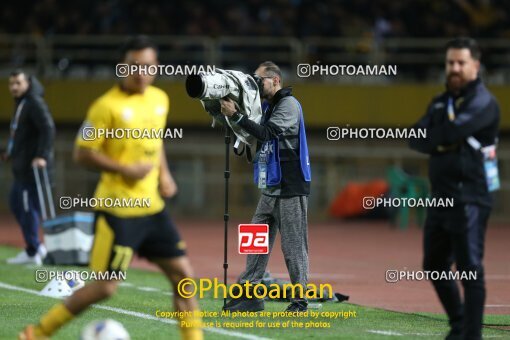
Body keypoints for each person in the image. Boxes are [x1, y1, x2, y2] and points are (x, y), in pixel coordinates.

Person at [19, 36, 203, 340]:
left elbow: (155, 141)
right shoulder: (104, 107)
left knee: (183, 276)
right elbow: (82, 152)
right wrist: (125, 169)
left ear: (156, 67)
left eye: (147, 66)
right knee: (104, 287)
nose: (141, 73)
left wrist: (164, 174)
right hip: (117, 213)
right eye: (134, 66)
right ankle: (35, 334)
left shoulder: (160, 99)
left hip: (153, 210)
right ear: (122, 67)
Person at [409, 37, 500, 340]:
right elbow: (416, 137)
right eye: (450, 63)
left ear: (476, 65)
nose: (455, 68)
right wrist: (443, 137)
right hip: (440, 199)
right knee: (433, 264)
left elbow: (450, 131)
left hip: (470, 198)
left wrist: (439, 136)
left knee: (469, 269)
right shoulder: (439, 101)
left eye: (461, 62)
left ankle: (470, 335)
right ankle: (459, 324)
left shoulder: (483, 102)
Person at [219, 61, 312, 312]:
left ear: (275, 80)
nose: (256, 84)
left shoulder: (289, 105)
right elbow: (258, 138)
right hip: (271, 185)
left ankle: (300, 300)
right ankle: (251, 294)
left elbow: (268, 133)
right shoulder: (269, 107)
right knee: (255, 237)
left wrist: (237, 116)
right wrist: (236, 121)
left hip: (291, 186)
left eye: (259, 80)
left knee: (293, 245)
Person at [4, 69, 55, 266]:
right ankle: (35, 247)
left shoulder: (34, 102)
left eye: (18, 83)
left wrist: (41, 155)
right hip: (21, 168)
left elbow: (48, 128)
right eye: (11, 84)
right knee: (17, 204)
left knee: (28, 209)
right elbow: (22, 135)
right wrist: (9, 152)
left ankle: (33, 251)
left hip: (33, 171)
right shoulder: (22, 103)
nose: (14, 87)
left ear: (28, 83)